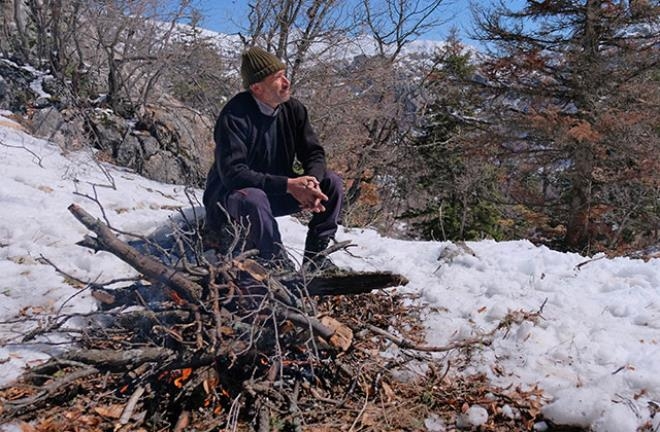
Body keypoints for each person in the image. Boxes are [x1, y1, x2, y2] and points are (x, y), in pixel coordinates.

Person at [203, 46, 343, 270]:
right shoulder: (235, 115)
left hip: (275, 193)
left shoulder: (293, 109)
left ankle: (316, 258)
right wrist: (289, 185)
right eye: (277, 78)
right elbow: (233, 175)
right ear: (257, 87)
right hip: (232, 200)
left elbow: (314, 152)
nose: (286, 82)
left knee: (332, 182)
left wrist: (311, 183)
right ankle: (277, 263)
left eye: (284, 74)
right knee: (254, 197)